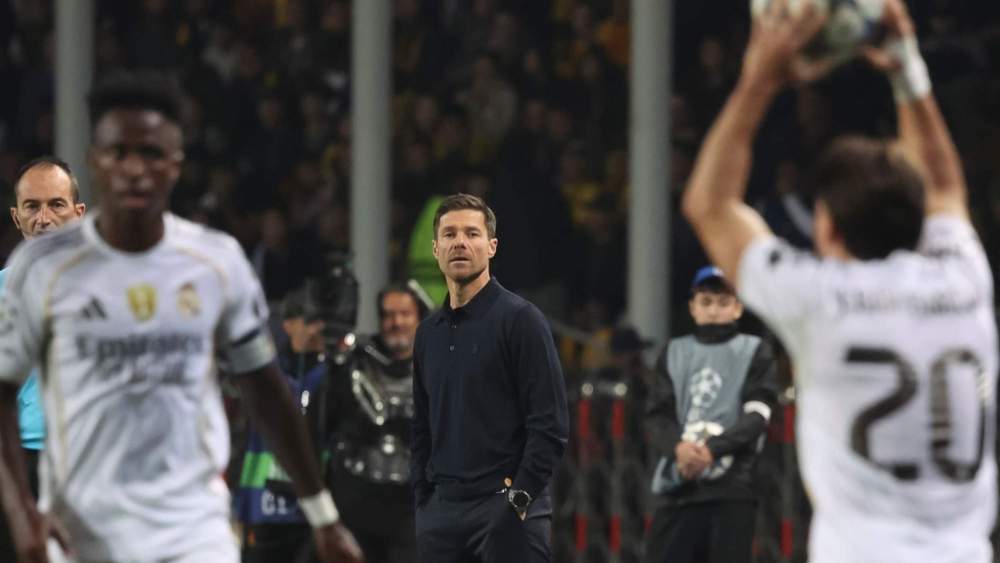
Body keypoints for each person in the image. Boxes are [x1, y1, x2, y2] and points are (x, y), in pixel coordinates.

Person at [0, 70, 363, 563]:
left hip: (193, 531)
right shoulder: (36, 274)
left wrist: (322, 514)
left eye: (151, 154)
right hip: (80, 531)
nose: (134, 169)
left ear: (175, 164)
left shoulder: (216, 263)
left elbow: (265, 387)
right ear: (97, 162)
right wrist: (22, 514)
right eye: (118, 154)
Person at [681, 1, 997, 561]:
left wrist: (759, 77)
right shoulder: (964, 282)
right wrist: (906, 65)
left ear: (826, 229)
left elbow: (710, 204)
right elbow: (947, 187)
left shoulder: (820, 302)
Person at [411, 193, 569, 562]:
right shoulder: (427, 333)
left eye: (472, 233)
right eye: (449, 235)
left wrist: (518, 501)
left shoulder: (521, 320)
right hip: (441, 516)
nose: (460, 243)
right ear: (435, 249)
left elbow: (550, 425)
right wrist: (424, 503)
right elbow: (421, 427)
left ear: (492, 246)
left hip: (505, 508)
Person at [644, 266, 778, 563]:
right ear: (692, 307)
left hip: (732, 488)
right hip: (679, 484)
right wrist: (679, 449)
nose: (714, 310)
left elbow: (759, 414)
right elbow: (656, 417)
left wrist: (710, 451)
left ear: (737, 307)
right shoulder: (674, 351)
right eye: (706, 302)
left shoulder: (755, 351)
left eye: (722, 302)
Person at [0, 157, 86, 561]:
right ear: (17, 218)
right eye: (32, 207)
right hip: (16, 468)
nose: (44, 218)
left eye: (56, 204)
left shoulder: (111, 287)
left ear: (78, 213)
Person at [320, 283, 427, 563]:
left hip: (411, 507)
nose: (396, 322)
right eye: (389, 315)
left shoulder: (440, 367)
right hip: (358, 502)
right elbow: (326, 422)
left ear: (419, 317)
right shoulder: (354, 362)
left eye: (405, 314)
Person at [235, 288, 329, 563]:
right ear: (288, 325)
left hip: (316, 509)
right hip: (264, 508)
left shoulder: (338, 374)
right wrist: (242, 509)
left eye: (323, 320)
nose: (319, 328)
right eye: (311, 320)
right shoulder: (266, 375)